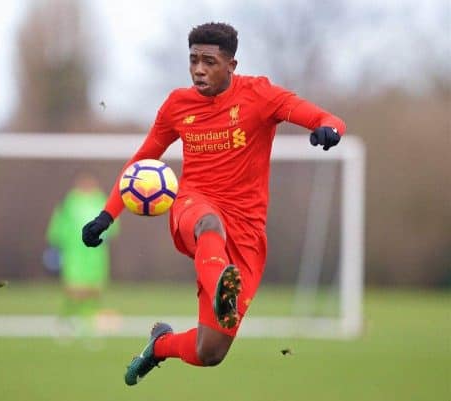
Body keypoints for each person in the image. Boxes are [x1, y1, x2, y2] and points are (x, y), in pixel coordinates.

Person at [81, 22, 346, 385]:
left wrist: (329, 130)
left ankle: (160, 345)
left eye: (209, 61)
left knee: (210, 352)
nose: (198, 70)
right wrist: (106, 215)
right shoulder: (177, 104)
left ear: (232, 65)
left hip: (246, 231)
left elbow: (324, 118)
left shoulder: (260, 95)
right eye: (193, 60)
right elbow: (143, 161)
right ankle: (222, 280)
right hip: (194, 207)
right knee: (209, 224)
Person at [47, 173, 119, 334]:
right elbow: (59, 224)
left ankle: (89, 328)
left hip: (95, 256)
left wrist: (105, 235)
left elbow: (113, 225)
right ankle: (64, 322)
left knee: (93, 292)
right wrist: (55, 246)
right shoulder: (70, 202)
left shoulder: (102, 201)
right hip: (75, 254)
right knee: (75, 290)